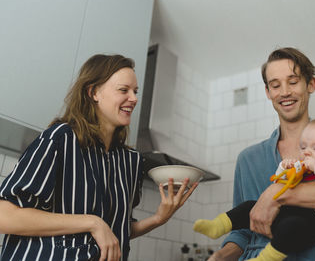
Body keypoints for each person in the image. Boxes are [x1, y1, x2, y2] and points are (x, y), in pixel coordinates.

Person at [0, 54, 198, 261]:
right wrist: (92, 222)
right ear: (93, 92)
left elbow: (115, 232)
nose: (134, 98)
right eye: (124, 90)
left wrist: (158, 219)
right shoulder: (61, 138)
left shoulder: (131, 161)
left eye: (135, 91)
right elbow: (5, 216)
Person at [207, 47, 315, 261]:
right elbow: (245, 229)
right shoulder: (248, 158)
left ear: (311, 84)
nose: (284, 92)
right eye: (275, 85)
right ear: (268, 92)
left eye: (293, 82)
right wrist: (222, 255)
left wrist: (277, 195)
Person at [194, 119, 315, 260]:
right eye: (303, 147)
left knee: (290, 227)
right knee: (250, 205)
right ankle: (218, 225)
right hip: (289, 212)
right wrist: (284, 167)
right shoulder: (304, 168)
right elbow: (280, 182)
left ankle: (265, 258)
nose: (307, 152)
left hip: (313, 222)